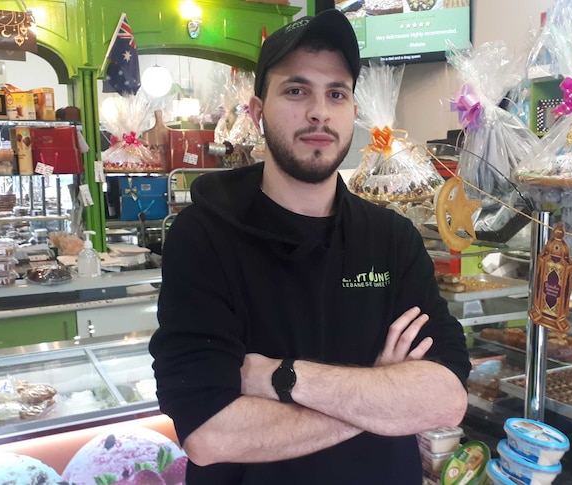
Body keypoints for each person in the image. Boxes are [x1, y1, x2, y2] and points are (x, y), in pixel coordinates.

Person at [150, 9, 471, 484]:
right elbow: (210, 434)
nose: (319, 111)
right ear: (258, 113)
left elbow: (444, 398)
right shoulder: (203, 238)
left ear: (352, 112)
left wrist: (279, 377)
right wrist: (381, 399)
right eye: (296, 90)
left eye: (336, 93)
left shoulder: (391, 239)